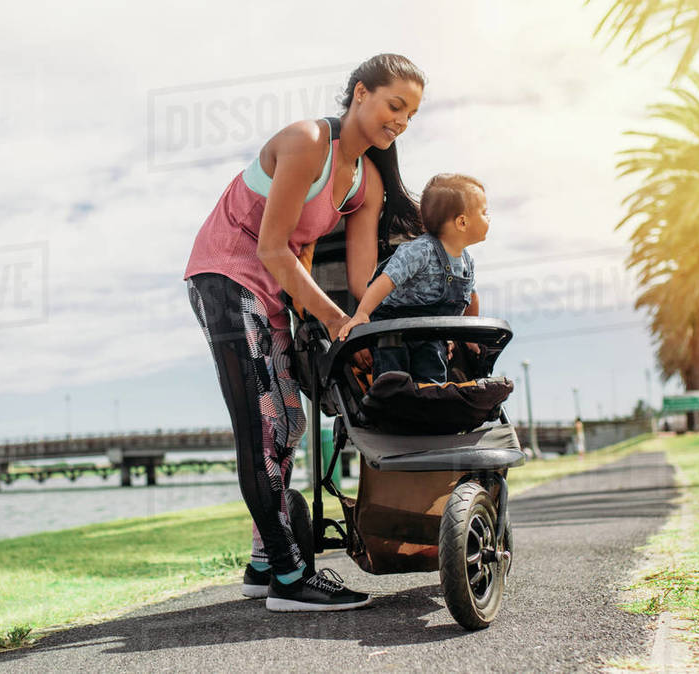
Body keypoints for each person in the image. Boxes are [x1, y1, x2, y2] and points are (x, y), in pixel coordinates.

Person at [184, 54, 425, 612]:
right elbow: (272, 248)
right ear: (360, 93)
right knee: (261, 426)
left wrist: (385, 319)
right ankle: (291, 578)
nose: (401, 121)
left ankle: (263, 565)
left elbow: (362, 281)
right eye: (395, 105)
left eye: (411, 115)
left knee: (289, 423)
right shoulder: (308, 141)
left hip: (271, 293)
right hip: (226, 276)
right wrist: (335, 320)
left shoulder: (365, 183)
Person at [337, 174, 489, 384]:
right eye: (484, 213)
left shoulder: (467, 262)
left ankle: (427, 400)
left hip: (429, 332)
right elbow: (385, 281)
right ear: (462, 222)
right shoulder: (420, 250)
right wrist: (362, 313)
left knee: (432, 376)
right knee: (392, 376)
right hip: (392, 325)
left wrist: (469, 337)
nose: (488, 218)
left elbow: (471, 298)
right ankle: (390, 398)